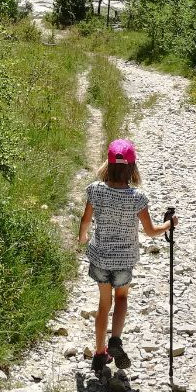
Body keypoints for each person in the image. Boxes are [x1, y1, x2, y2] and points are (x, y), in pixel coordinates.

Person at [77, 138, 178, 373]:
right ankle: (116, 340)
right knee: (121, 299)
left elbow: (85, 220)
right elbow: (151, 231)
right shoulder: (137, 198)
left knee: (104, 304)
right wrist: (168, 225)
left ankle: (100, 353)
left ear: (108, 165)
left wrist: (82, 237)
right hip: (123, 261)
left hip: (100, 258)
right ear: (132, 168)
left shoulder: (95, 190)